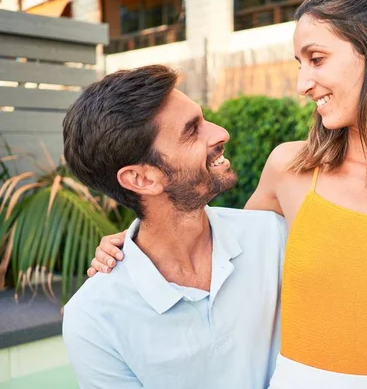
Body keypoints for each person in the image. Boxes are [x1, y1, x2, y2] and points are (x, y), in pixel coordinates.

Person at [91, 0, 367, 388]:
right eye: (300, 63)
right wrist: (134, 247)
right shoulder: (289, 169)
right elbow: (216, 261)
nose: (302, 83)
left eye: (317, 59)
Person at [61, 65, 287, 389]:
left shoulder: (273, 236)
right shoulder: (93, 319)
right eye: (192, 130)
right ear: (142, 178)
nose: (221, 132)